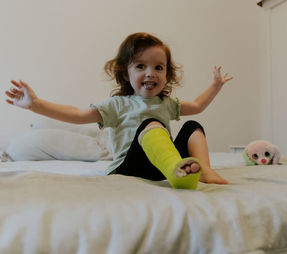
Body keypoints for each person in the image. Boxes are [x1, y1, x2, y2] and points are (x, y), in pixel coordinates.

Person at [5, 32, 232, 190]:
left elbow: (198, 106)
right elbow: (77, 114)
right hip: (129, 167)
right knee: (151, 125)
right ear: (126, 74)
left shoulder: (167, 102)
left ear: (167, 75)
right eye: (141, 66)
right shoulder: (118, 105)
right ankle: (177, 170)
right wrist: (36, 104)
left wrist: (215, 85)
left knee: (193, 127)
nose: (151, 72)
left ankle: (204, 171)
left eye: (158, 67)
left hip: (159, 166)